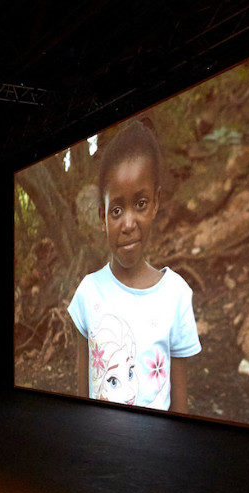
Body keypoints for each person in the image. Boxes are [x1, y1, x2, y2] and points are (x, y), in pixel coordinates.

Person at [67, 119, 200, 413]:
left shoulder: (175, 295)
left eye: (140, 204)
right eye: (116, 210)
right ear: (102, 216)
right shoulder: (88, 293)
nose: (128, 223)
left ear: (155, 202)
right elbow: (81, 394)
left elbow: (180, 407)